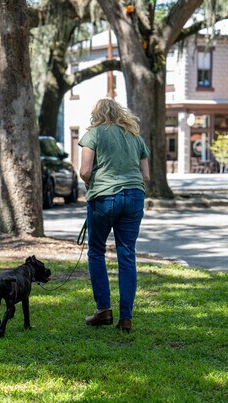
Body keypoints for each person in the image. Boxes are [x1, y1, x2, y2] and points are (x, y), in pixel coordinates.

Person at [78, 98, 150, 333]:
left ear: (96, 115)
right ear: (120, 113)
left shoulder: (94, 134)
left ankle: (103, 310)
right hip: (134, 197)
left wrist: (90, 185)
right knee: (126, 254)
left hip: (104, 198)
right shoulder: (134, 136)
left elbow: (85, 170)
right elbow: (146, 176)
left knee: (97, 251)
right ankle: (126, 318)